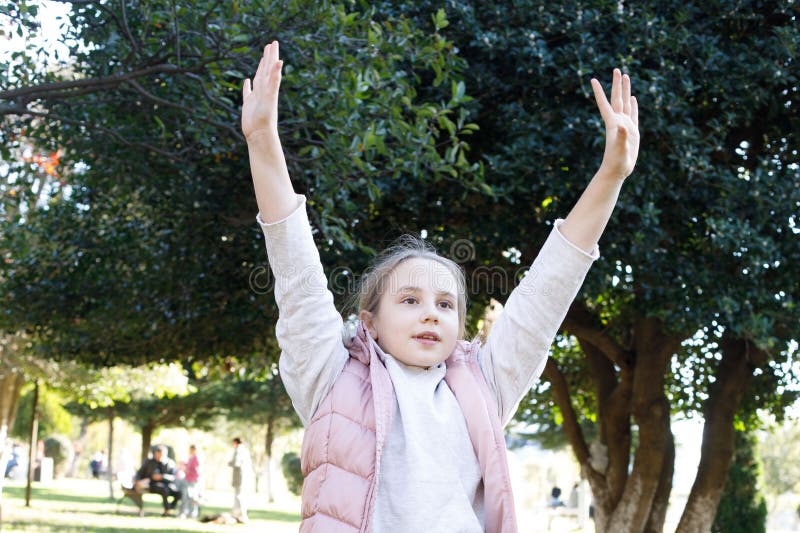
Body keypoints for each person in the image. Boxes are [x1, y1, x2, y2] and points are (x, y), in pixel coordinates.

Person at [243, 40, 639, 532]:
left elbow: (547, 292)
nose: (431, 313)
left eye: (446, 304)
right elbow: (297, 275)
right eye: (409, 300)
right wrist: (262, 140)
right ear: (370, 320)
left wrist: (611, 175)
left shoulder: (484, 387)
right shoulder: (330, 374)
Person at [136, 445, 181, 516]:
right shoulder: (149, 462)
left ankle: (169, 507)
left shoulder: (170, 463)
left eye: (160, 455)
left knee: (178, 493)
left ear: (165, 455)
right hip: (152, 484)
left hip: (166, 485)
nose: (158, 457)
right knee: (163, 489)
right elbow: (139, 473)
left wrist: (162, 477)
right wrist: (138, 481)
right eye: (157, 455)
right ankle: (167, 510)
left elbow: (174, 477)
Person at [228, 437, 253, 523]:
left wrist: (230, 463)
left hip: (239, 477)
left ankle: (243, 516)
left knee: (239, 496)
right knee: (240, 496)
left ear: (236, 442)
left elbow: (237, 463)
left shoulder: (239, 450)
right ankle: (236, 515)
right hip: (245, 477)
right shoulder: (245, 450)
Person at [177, 444, 201, 519]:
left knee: (192, 497)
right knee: (185, 496)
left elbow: (196, 470)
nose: (191, 451)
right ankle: (184, 512)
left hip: (193, 481)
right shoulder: (191, 458)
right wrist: (183, 464)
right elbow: (187, 466)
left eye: (192, 450)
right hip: (187, 480)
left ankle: (192, 513)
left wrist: (187, 471)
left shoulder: (197, 458)